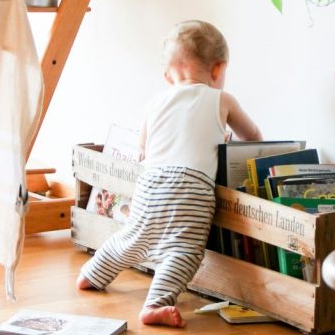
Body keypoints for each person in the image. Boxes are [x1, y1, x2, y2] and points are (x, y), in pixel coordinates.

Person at [76, 20, 262, 328]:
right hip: (192, 187)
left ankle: (91, 274)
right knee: (184, 250)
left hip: (151, 183)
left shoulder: (155, 103)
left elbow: (143, 150)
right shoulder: (222, 100)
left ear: (168, 76)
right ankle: (155, 303)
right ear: (218, 70)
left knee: (133, 238)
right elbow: (253, 137)